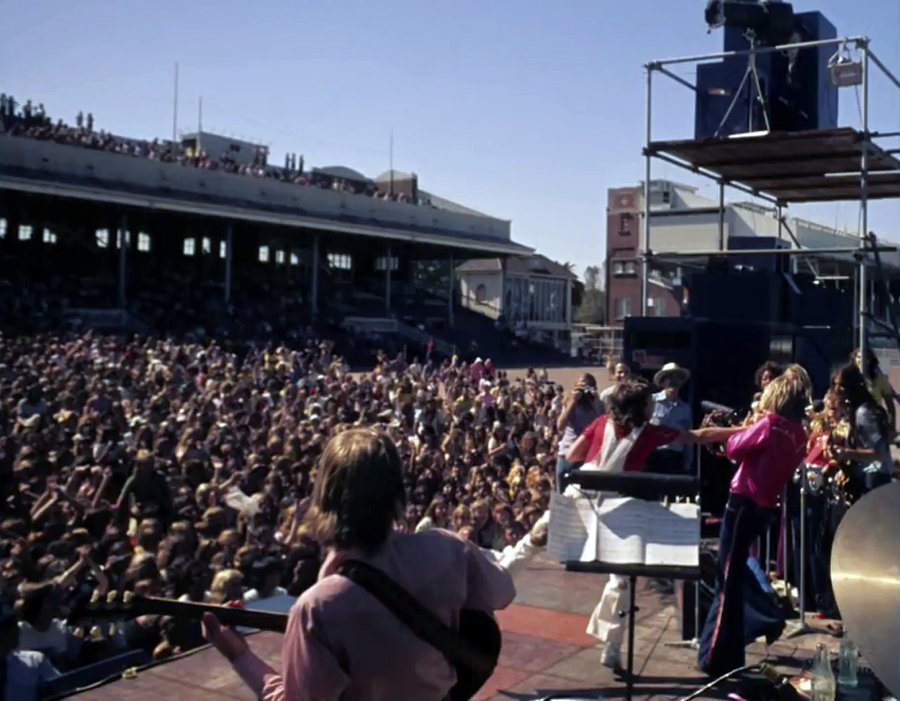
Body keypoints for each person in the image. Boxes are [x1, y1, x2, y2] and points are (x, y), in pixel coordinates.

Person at [201, 428, 516, 701]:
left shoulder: (316, 609)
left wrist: (240, 656)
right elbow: (503, 592)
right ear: (397, 493)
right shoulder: (447, 548)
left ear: (324, 500)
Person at [565, 379, 742, 669]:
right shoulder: (649, 434)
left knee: (537, 541)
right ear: (641, 407)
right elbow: (698, 436)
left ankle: (503, 565)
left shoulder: (600, 421)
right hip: (611, 507)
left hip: (580, 495)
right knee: (620, 577)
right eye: (649, 402)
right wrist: (742, 430)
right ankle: (610, 646)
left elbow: (573, 454)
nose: (653, 406)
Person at [698, 372, 810, 677]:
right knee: (733, 576)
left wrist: (737, 428)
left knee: (727, 580)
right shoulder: (800, 432)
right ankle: (730, 649)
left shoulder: (771, 424)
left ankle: (717, 655)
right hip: (764, 507)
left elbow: (734, 448)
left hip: (743, 503)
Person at [831, 362, 894, 494]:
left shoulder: (864, 413)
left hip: (875, 480)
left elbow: (879, 453)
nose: (837, 390)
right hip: (864, 479)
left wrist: (848, 453)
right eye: (835, 385)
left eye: (841, 385)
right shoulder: (853, 413)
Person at [555, 373, 603, 490]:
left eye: (588, 386)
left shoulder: (598, 404)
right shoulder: (569, 402)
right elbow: (560, 426)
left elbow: (602, 420)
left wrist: (594, 399)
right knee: (562, 488)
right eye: (581, 386)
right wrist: (573, 401)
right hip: (567, 452)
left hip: (587, 455)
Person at [649, 362, 694, 474]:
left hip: (675, 458)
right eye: (669, 378)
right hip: (654, 456)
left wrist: (688, 462)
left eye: (677, 379)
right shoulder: (651, 401)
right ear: (663, 382)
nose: (673, 382)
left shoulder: (685, 408)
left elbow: (689, 436)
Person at [852, 348, 897, 435]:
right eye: (858, 357)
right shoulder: (849, 377)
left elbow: (890, 405)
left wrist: (891, 427)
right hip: (853, 420)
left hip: (873, 420)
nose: (861, 360)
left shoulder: (879, 378)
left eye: (865, 358)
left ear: (870, 360)